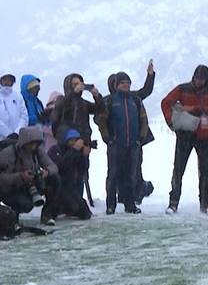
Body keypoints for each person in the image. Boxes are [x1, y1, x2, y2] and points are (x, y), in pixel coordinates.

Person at [161, 65, 208, 214]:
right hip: (185, 134)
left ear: (207, 79)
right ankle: (173, 203)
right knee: (179, 169)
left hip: (205, 136)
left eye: (201, 79)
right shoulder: (182, 89)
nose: (198, 81)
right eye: (196, 78)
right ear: (193, 77)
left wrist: (189, 108)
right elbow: (165, 102)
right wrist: (171, 122)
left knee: (205, 171)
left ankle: (204, 203)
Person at [96, 72, 149, 214]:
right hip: (116, 144)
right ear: (116, 85)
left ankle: (129, 204)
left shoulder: (136, 101)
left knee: (130, 176)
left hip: (132, 144)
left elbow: (143, 119)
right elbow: (102, 121)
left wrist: (140, 138)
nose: (125, 85)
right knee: (113, 175)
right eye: (122, 83)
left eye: (128, 82)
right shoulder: (110, 101)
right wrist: (108, 138)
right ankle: (110, 205)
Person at [0, 125, 61, 226]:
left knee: (55, 179)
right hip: (13, 189)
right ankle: (13, 218)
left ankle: (47, 214)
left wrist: (46, 172)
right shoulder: (9, 153)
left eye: (36, 143)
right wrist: (20, 176)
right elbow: (1, 179)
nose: (34, 146)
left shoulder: (37, 151)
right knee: (26, 205)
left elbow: (53, 166)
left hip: (32, 184)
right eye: (31, 143)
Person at [47, 129, 93, 220]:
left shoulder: (76, 152)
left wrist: (84, 156)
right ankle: (56, 209)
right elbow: (61, 166)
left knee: (85, 213)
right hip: (57, 185)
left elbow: (82, 170)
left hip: (70, 187)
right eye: (72, 140)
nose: (74, 143)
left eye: (76, 140)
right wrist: (74, 150)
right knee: (72, 206)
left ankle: (67, 208)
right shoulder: (55, 150)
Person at [51, 74, 104, 144]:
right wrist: (73, 93)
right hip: (68, 142)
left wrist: (97, 97)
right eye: (75, 84)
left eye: (80, 84)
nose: (78, 86)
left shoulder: (83, 102)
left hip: (84, 143)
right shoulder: (62, 100)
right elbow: (56, 118)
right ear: (69, 86)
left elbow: (100, 110)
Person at [0, 71, 27, 140]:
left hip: (17, 139)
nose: (7, 82)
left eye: (10, 79)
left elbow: (24, 116)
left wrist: (17, 133)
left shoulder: (18, 96)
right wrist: (8, 134)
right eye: (4, 79)